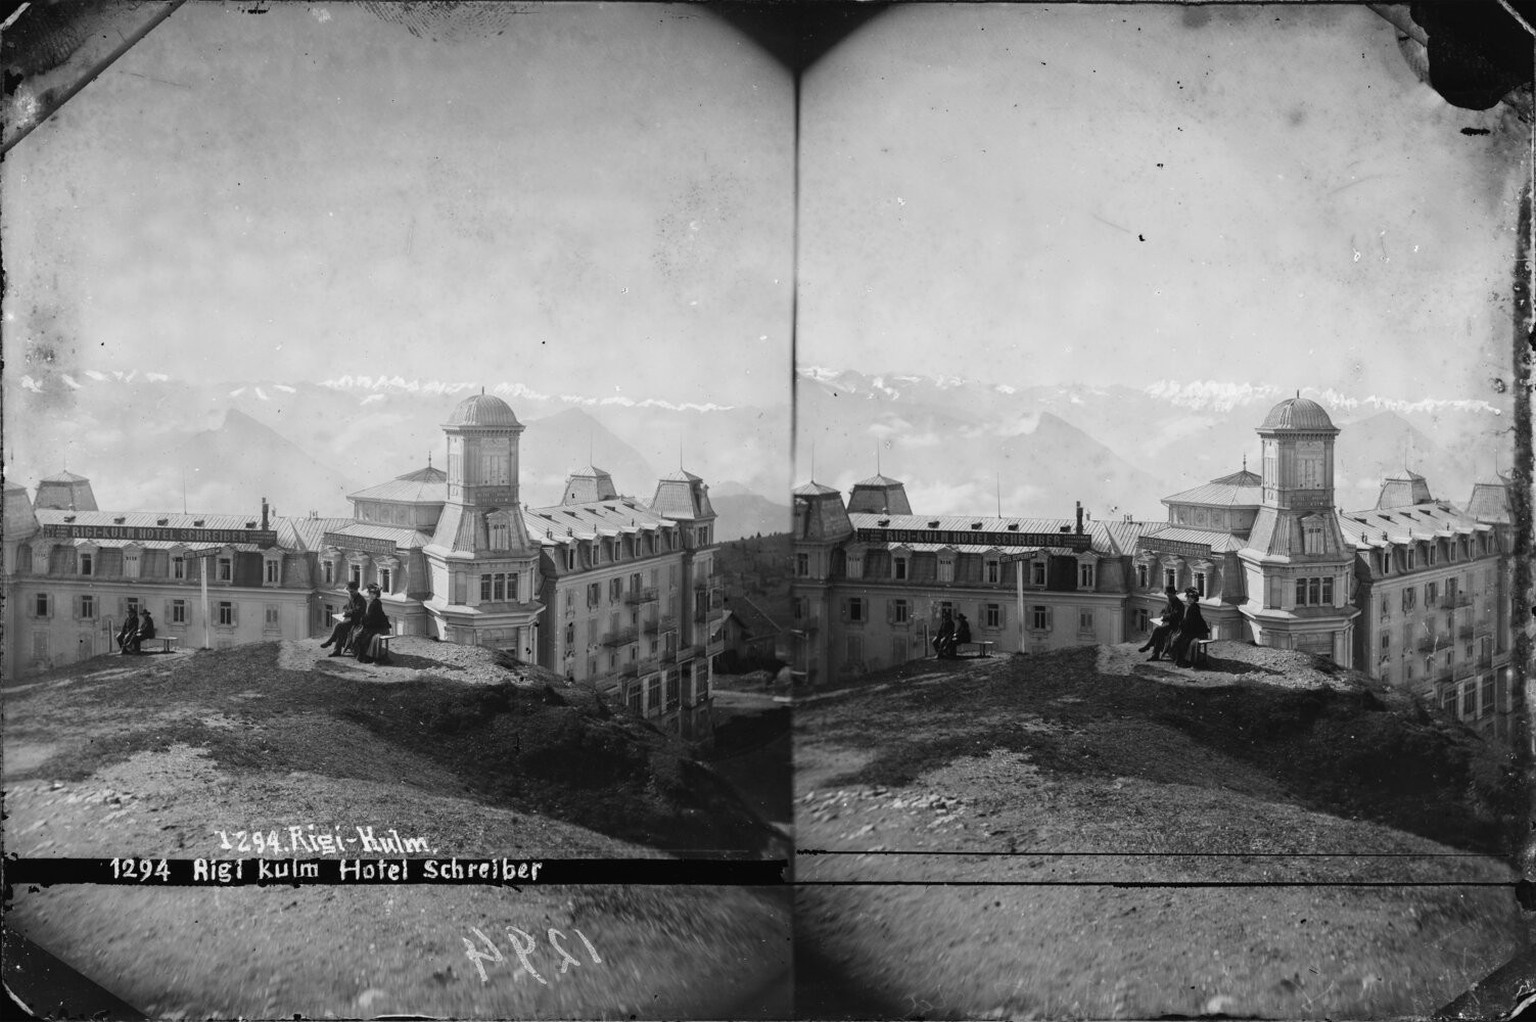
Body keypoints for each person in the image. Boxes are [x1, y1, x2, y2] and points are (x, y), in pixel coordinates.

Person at [320, 580, 367, 657]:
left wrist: (347, 613)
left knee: (339, 626)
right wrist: (346, 611)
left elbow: (357, 612)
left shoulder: (361, 600)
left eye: (352, 592)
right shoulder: (351, 597)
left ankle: (330, 642)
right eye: (349, 591)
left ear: (356, 590)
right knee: (340, 629)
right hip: (351, 620)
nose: (350, 593)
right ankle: (336, 651)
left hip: (358, 622)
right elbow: (346, 607)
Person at [1139, 586, 1184, 661]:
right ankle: (1154, 655)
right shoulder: (1169, 602)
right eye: (1167, 595)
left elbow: (1175, 616)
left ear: (1174, 594)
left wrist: (1164, 617)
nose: (1168, 597)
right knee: (1158, 632)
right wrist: (1161, 616)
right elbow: (1163, 611)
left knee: (1157, 630)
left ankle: (1149, 646)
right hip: (1167, 624)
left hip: (1175, 626)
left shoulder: (1179, 604)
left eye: (1169, 595)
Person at [352, 584, 392, 664]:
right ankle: (362, 656)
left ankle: (366, 657)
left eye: (370, 594)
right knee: (360, 634)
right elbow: (370, 617)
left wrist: (362, 620)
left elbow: (372, 618)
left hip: (378, 628)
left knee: (360, 636)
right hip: (375, 625)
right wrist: (364, 620)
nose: (369, 595)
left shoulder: (375, 604)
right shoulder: (375, 603)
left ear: (374, 595)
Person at [1170, 588, 1210, 668]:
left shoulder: (1194, 608)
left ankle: (1183, 661)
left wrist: (1182, 627)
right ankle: (1180, 660)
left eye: (1189, 598)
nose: (1187, 599)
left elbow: (1191, 624)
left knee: (1179, 640)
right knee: (1177, 638)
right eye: (1187, 597)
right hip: (1193, 631)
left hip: (1198, 633)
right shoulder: (1193, 607)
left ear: (1193, 599)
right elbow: (1188, 622)